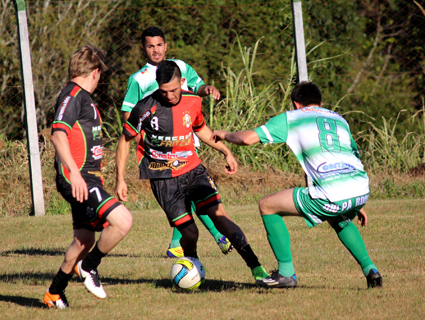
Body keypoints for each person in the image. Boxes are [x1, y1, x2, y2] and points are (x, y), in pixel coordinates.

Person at [212, 81, 383, 289]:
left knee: (267, 206)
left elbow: (247, 139)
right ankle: (371, 270)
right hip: (360, 189)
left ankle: (286, 274)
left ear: (296, 104)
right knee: (337, 217)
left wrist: (225, 134)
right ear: (320, 102)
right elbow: (352, 156)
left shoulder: (292, 118)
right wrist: (356, 202)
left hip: (335, 194)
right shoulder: (339, 119)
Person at [116, 60, 269, 282]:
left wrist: (225, 151)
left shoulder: (193, 101)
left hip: (193, 171)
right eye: (164, 91)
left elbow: (201, 130)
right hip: (163, 178)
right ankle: (193, 270)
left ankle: (257, 269)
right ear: (157, 86)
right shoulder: (144, 107)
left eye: (174, 90)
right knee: (190, 233)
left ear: (183, 83)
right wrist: (120, 179)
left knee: (221, 218)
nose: (170, 96)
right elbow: (124, 140)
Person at [121, 26, 231, 258]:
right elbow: (129, 116)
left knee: (191, 194)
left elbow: (196, 86)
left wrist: (206, 89)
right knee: (187, 195)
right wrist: (147, 141)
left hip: (187, 140)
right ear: (144, 49)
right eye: (150, 46)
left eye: (159, 45)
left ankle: (179, 244)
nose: (156, 50)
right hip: (161, 151)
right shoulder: (138, 80)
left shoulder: (180, 66)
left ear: (166, 45)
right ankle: (208, 238)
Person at [44, 45, 133, 309]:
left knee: (84, 239)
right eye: (100, 76)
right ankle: (90, 267)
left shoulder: (80, 97)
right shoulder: (73, 95)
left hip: (87, 178)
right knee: (123, 221)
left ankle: (54, 293)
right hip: (79, 179)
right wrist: (75, 173)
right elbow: (57, 134)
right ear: (95, 73)